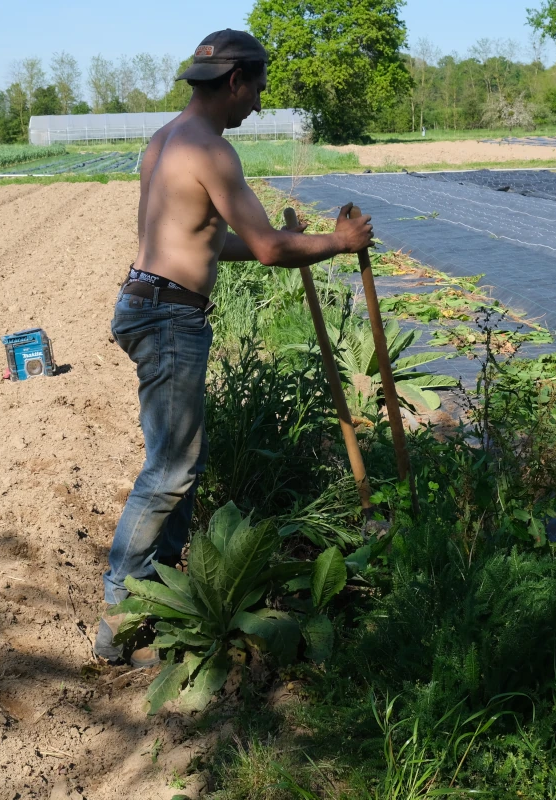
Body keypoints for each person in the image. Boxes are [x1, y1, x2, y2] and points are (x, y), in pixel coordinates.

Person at [96, 28, 374, 666]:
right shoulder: (212, 151)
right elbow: (274, 251)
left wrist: (280, 239)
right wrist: (339, 241)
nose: (255, 106)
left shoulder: (165, 141)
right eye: (256, 91)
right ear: (234, 82)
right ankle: (119, 618)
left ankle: (159, 599)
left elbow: (209, 242)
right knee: (168, 472)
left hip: (147, 303)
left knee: (179, 465)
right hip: (169, 318)